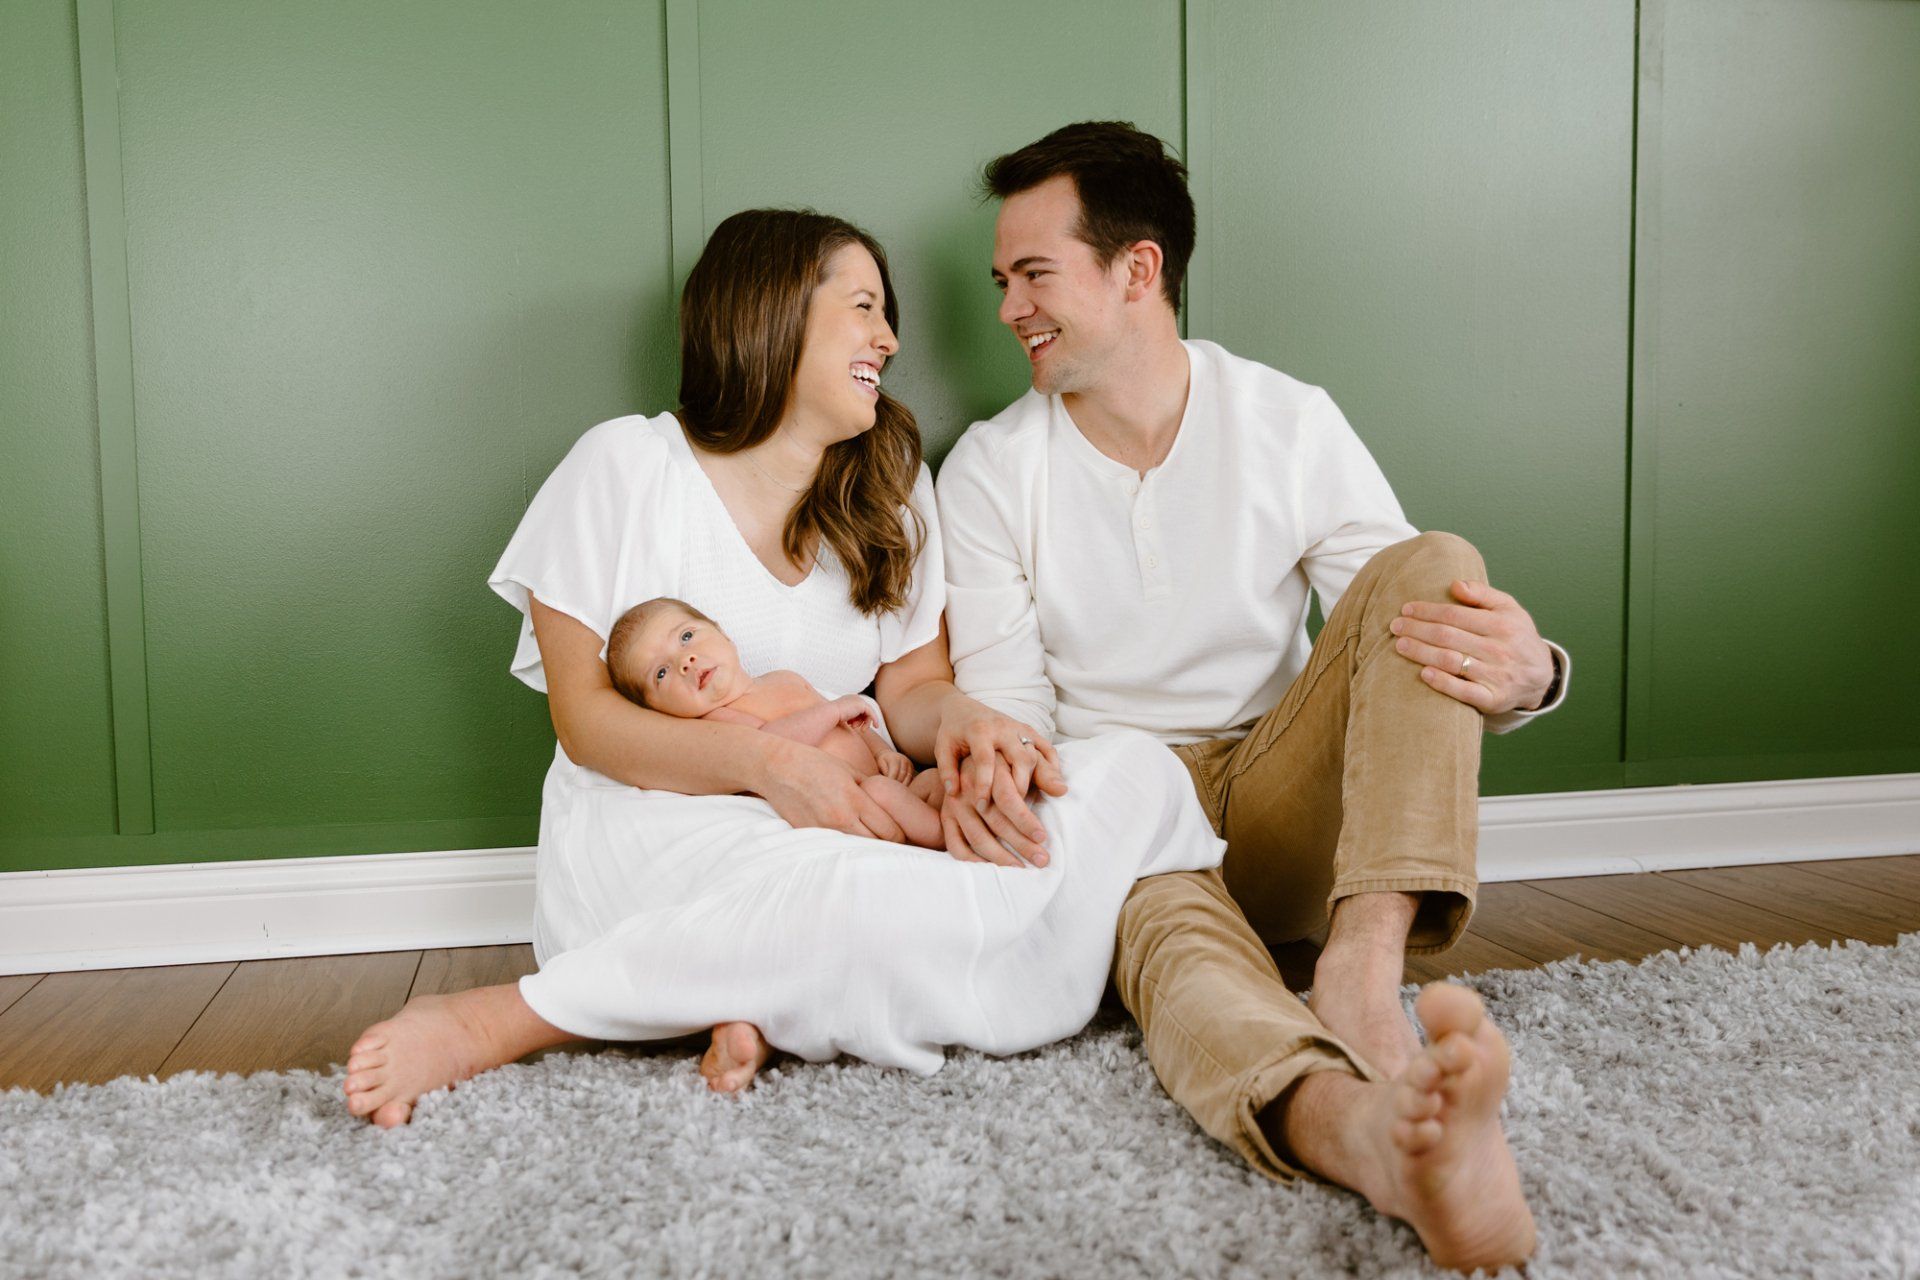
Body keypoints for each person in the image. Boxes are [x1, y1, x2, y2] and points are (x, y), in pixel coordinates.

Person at [341, 208, 1223, 1119]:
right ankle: (505, 1020)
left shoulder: (892, 485)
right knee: (845, 893)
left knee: (1135, 775)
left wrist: (966, 726)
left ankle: (746, 991)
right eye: (864, 308)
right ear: (771, 315)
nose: (888, 339)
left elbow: (914, 691)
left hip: (848, 813)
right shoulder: (623, 468)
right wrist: (772, 767)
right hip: (665, 820)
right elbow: (587, 721)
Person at [935, 122, 1572, 1271]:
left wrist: (1537, 675)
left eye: (1033, 275)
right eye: (1000, 281)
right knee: (1185, 973)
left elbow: (1401, 616)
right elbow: (1010, 713)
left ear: (1139, 270)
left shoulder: (1287, 419)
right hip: (1121, 801)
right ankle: (1375, 1140)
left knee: (1433, 561)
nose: (1006, 309)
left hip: (1283, 786)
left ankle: (1361, 978)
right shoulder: (987, 469)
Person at [604, 595, 947, 850]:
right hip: (855, 805)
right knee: (882, 791)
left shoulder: (784, 678)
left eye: (686, 637)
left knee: (935, 780)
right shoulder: (716, 723)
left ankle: (967, 824)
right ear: (658, 710)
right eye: (661, 673)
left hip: (888, 782)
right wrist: (833, 711)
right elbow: (772, 742)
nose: (685, 661)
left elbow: (852, 723)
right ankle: (947, 844)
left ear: (723, 634)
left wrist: (883, 751)